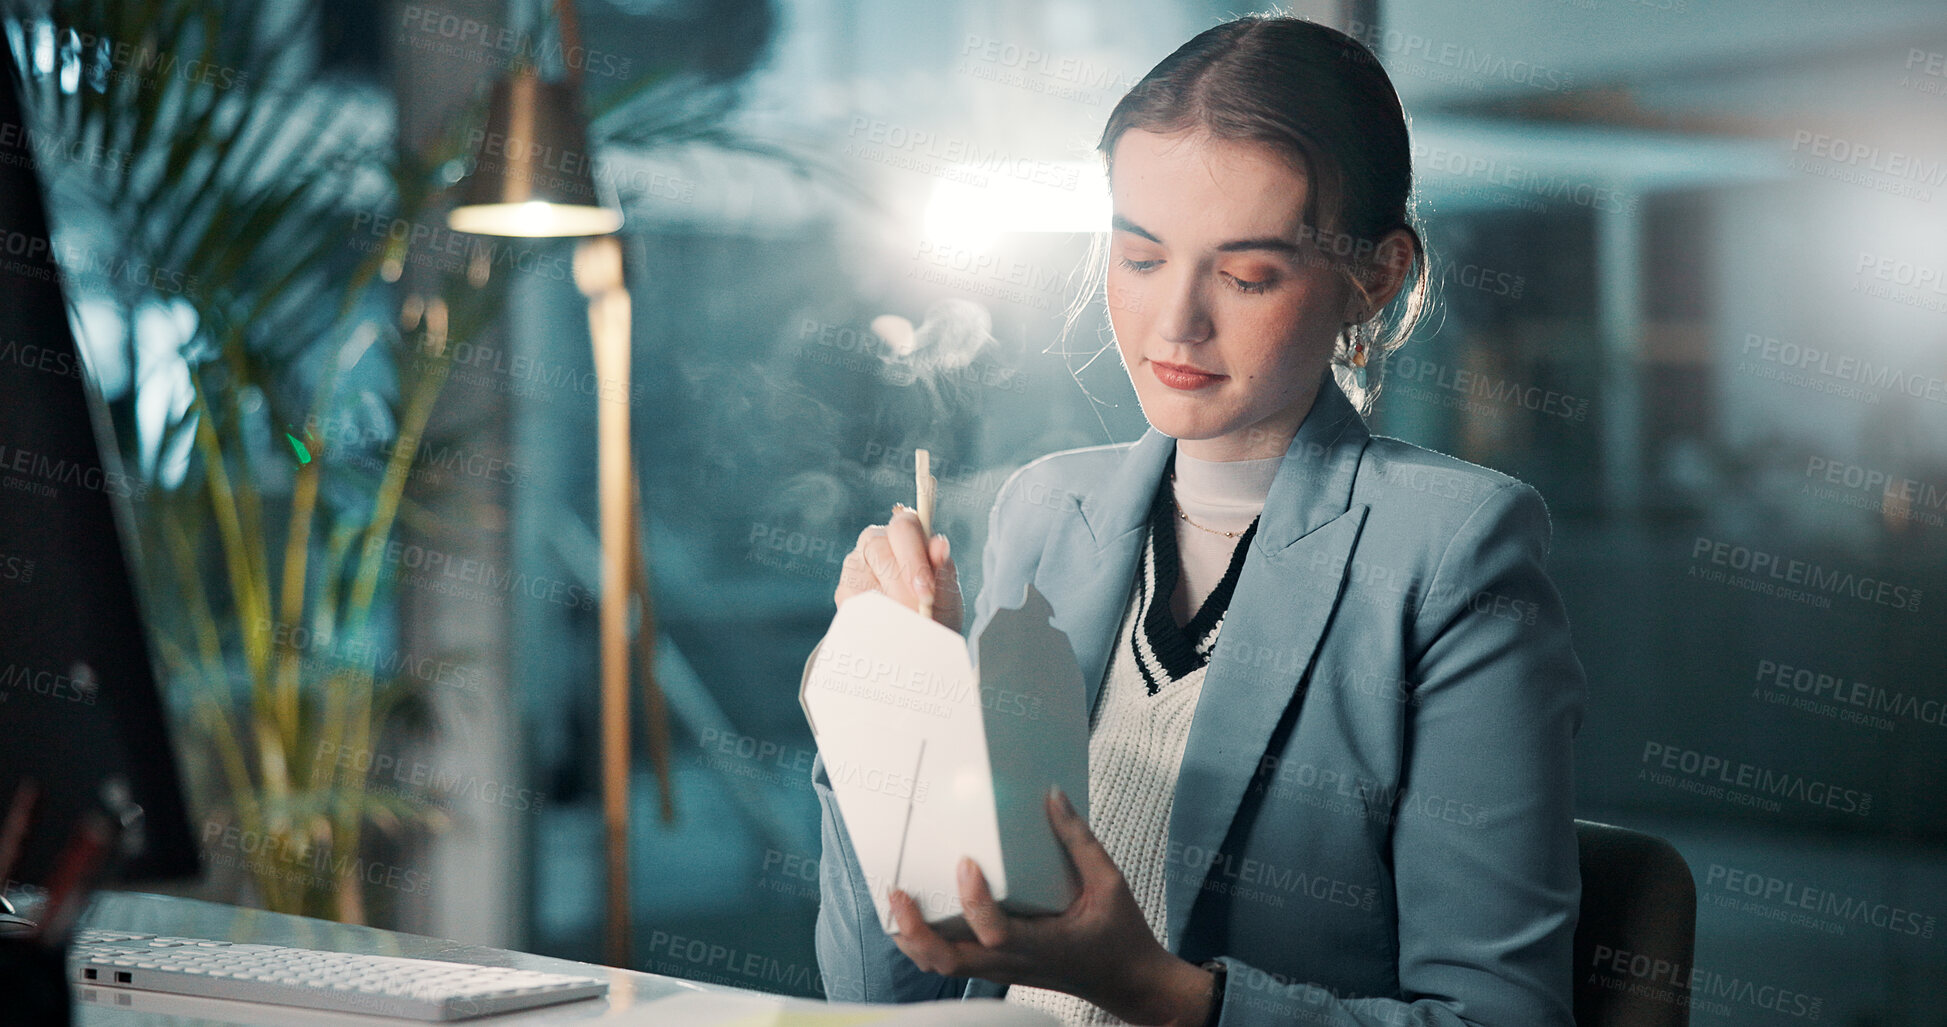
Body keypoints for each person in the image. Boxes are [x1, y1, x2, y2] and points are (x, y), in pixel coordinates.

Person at [808, 15, 1586, 1026]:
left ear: (1376, 275)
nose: (1176, 321)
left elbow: (1502, 1020)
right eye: (1139, 259)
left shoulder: (1452, 554)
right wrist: (890, 719)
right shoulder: (1047, 513)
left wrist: (1154, 991)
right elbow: (885, 995)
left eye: (1248, 274)